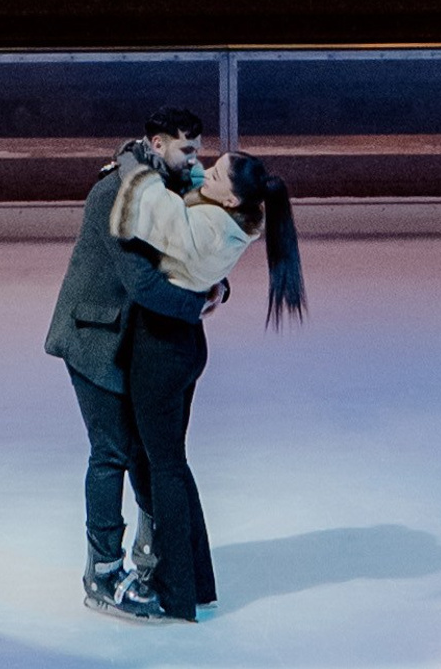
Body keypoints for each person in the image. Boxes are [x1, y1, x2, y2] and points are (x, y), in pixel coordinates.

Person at [105, 148, 307, 624]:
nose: (203, 171)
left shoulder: (209, 228)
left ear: (232, 196)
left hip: (162, 349)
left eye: (214, 173)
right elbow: (190, 189)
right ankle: (196, 580)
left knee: (165, 468)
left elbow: (157, 212)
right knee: (171, 464)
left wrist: (133, 167)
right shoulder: (235, 217)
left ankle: (177, 592)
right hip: (183, 346)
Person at [42, 108, 214, 620]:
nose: (196, 161)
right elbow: (140, 280)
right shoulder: (118, 193)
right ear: (157, 146)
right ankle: (101, 571)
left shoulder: (162, 189)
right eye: (188, 151)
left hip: (130, 340)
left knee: (145, 452)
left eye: (198, 150)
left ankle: (148, 558)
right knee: (112, 452)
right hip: (92, 338)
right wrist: (197, 304)